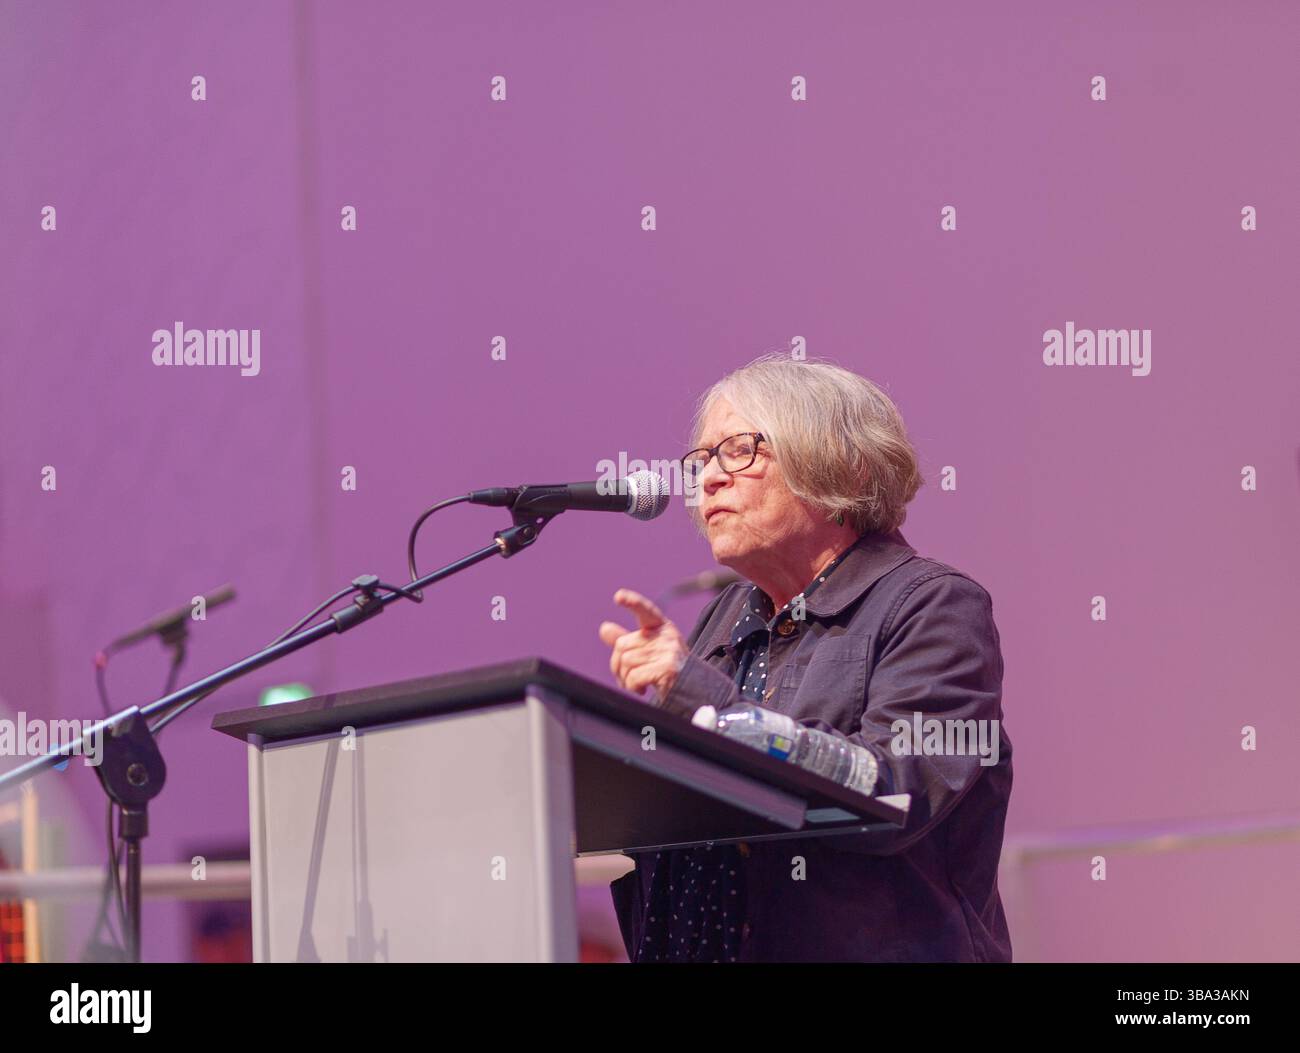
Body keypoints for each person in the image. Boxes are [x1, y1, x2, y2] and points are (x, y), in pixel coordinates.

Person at [597, 354, 1013, 962]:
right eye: (703, 459)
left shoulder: (934, 604)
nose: (709, 478)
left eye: (739, 450)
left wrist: (709, 704)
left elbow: (895, 796)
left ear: (840, 461)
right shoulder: (728, 615)